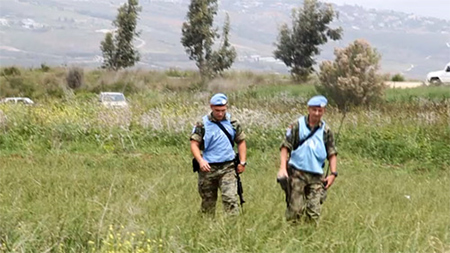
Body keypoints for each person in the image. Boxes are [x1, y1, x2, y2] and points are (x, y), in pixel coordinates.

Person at [277, 95, 338, 223]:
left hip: (316, 176)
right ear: (308, 109)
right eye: (314, 110)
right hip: (297, 173)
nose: (317, 113)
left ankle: (310, 236)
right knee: (296, 210)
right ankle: (292, 235)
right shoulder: (297, 126)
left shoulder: (326, 131)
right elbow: (285, 147)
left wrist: (333, 173)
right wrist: (282, 168)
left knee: (314, 212)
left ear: (323, 111)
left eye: (320, 110)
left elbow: (332, 153)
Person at [190, 93, 247, 216]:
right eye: (217, 110)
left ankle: (232, 228)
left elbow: (241, 142)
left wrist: (242, 162)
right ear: (211, 107)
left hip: (228, 167)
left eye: (223, 110)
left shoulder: (233, 122)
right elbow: (194, 144)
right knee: (208, 202)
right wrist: (200, 161)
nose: (220, 113)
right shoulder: (202, 124)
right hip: (208, 168)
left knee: (230, 199)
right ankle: (207, 228)